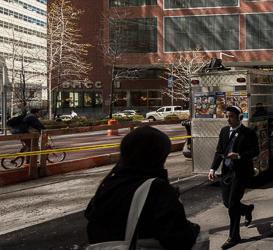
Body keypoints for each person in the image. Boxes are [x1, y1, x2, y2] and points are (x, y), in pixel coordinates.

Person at [85, 125, 200, 249]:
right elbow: (178, 239)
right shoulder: (157, 189)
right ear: (157, 157)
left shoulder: (108, 186)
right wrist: (193, 228)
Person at [209, 106, 259, 249]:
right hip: (227, 172)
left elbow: (255, 151)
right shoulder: (224, 131)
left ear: (239, 118)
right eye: (226, 116)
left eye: (231, 116)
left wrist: (239, 156)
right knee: (227, 203)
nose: (228, 119)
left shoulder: (247, 133)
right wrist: (213, 168)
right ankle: (247, 209)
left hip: (240, 172)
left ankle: (234, 236)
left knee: (233, 204)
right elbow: (219, 151)